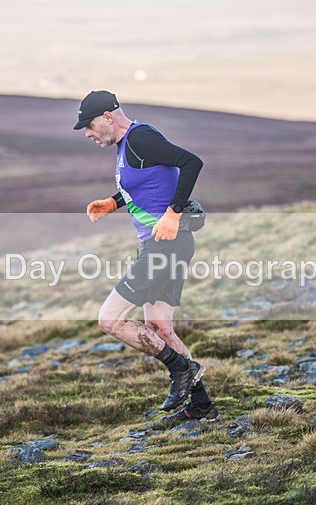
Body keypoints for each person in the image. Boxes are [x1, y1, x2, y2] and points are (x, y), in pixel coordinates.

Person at [73, 90, 220, 425]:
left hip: (165, 246)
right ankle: (201, 406)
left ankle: (182, 368)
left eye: (90, 125)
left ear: (108, 117)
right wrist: (112, 203)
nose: (88, 133)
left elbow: (191, 162)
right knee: (159, 327)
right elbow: (146, 183)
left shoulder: (140, 138)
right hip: (165, 246)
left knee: (109, 319)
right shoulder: (130, 145)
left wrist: (173, 212)